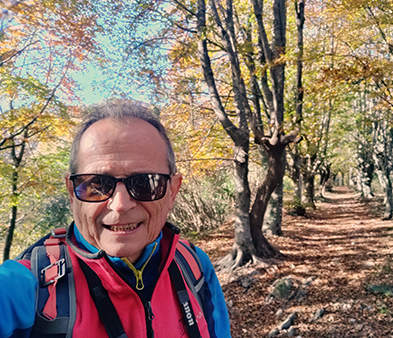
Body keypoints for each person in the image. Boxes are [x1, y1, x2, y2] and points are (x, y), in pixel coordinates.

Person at [0, 101, 231, 338]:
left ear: (172, 191)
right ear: (72, 192)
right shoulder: (23, 288)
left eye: (145, 183)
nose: (120, 205)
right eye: (97, 185)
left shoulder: (194, 266)